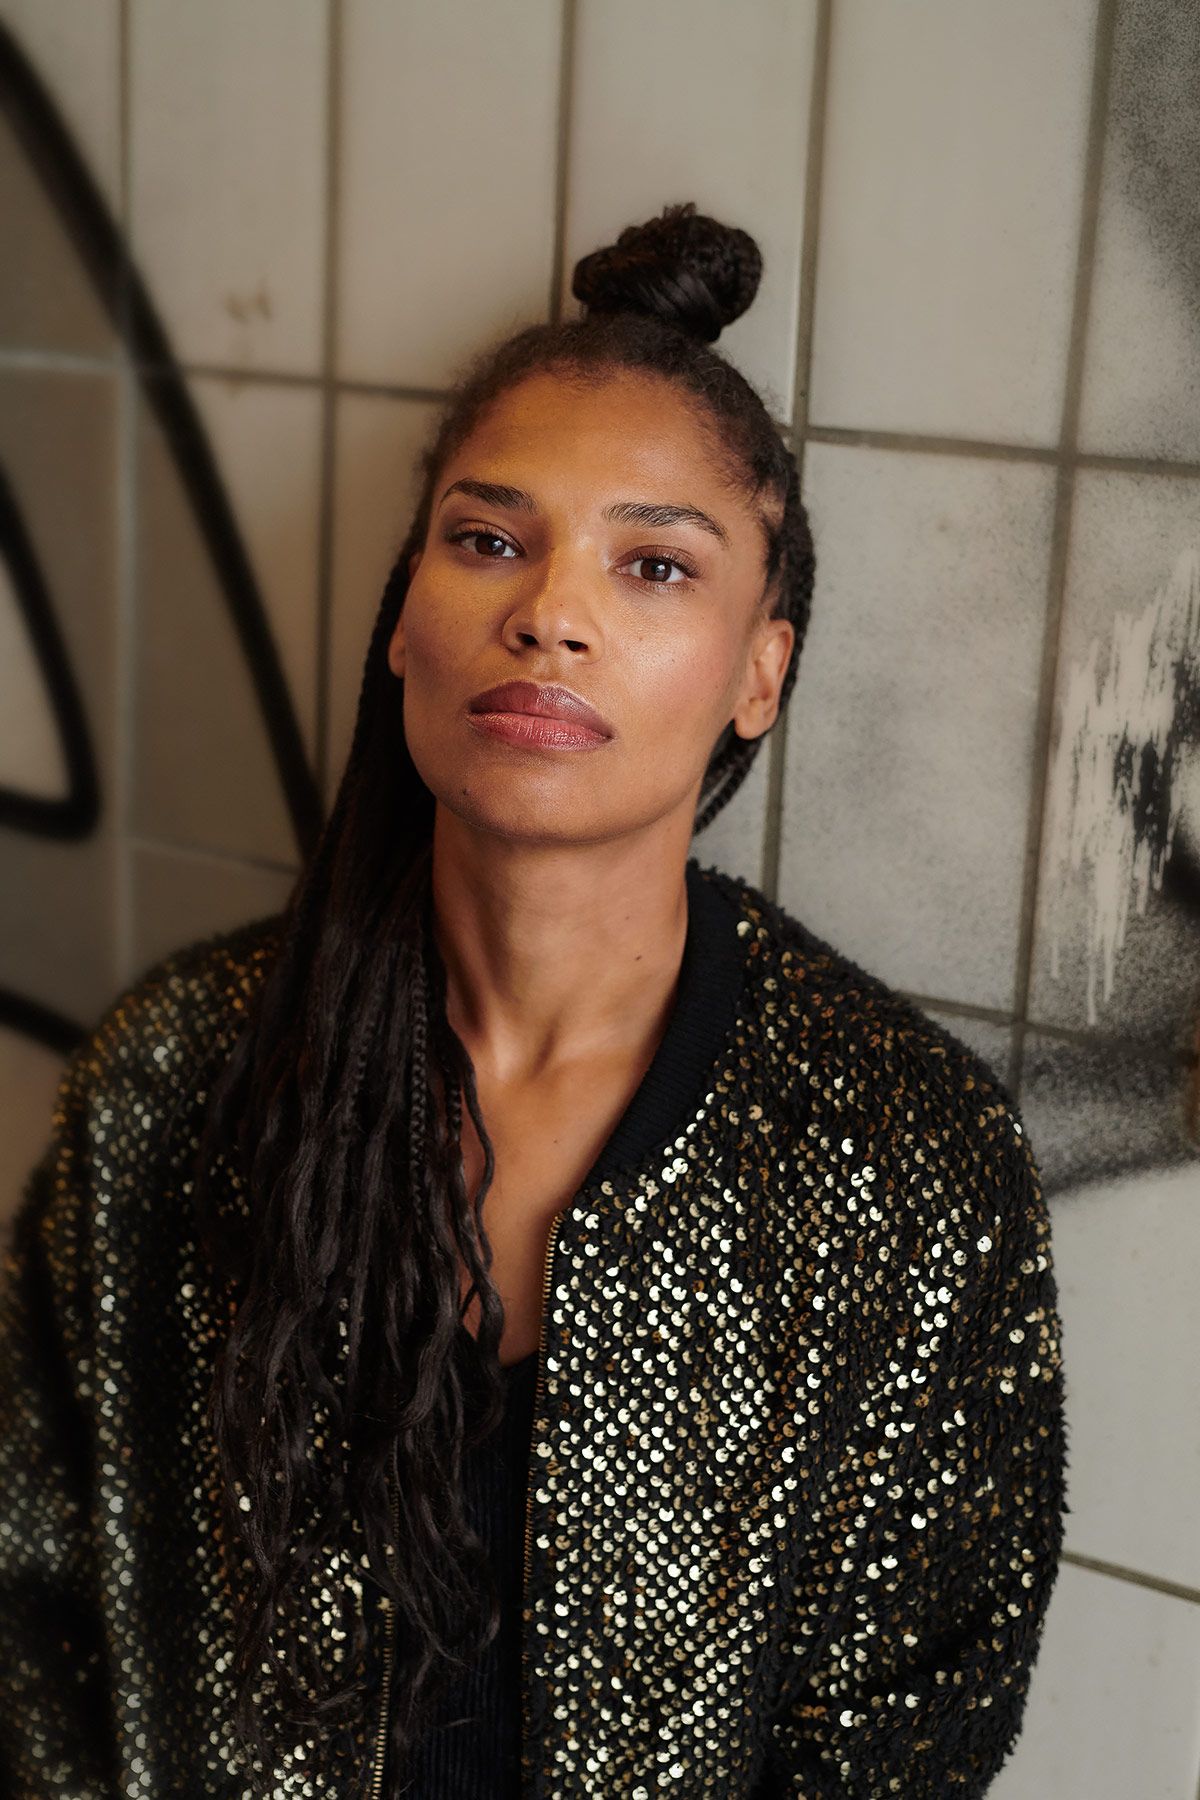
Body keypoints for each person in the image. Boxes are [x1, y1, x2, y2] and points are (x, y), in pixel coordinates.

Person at [0, 202, 1068, 1799]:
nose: (550, 614)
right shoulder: (175, 1080)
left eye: (655, 566)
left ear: (760, 673)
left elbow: (910, 1729)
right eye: (490, 540)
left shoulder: (898, 1155)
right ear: (403, 620)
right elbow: (35, 1615)